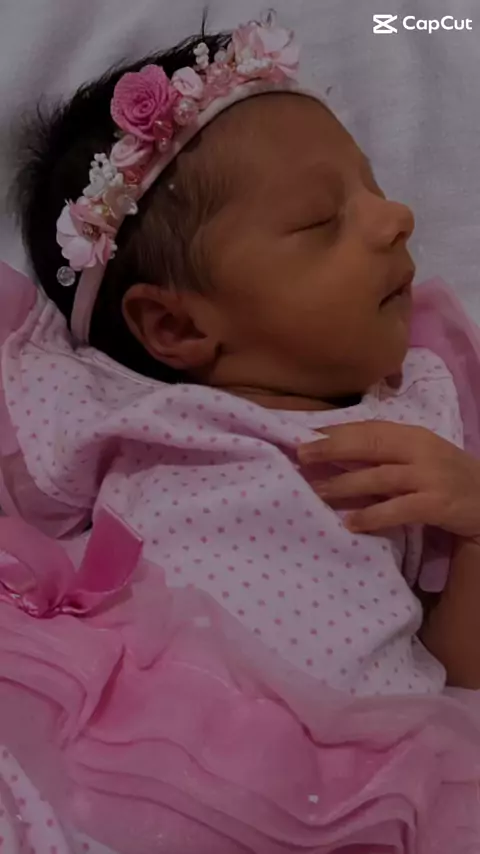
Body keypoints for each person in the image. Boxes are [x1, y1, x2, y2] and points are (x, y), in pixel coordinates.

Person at [1, 13, 480, 851]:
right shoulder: (113, 405)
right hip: (131, 745)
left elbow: (459, 672)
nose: (397, 217)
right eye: (321, 221)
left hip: (363, 783)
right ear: (175, 327)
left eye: (374, 187)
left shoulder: (419, 409)